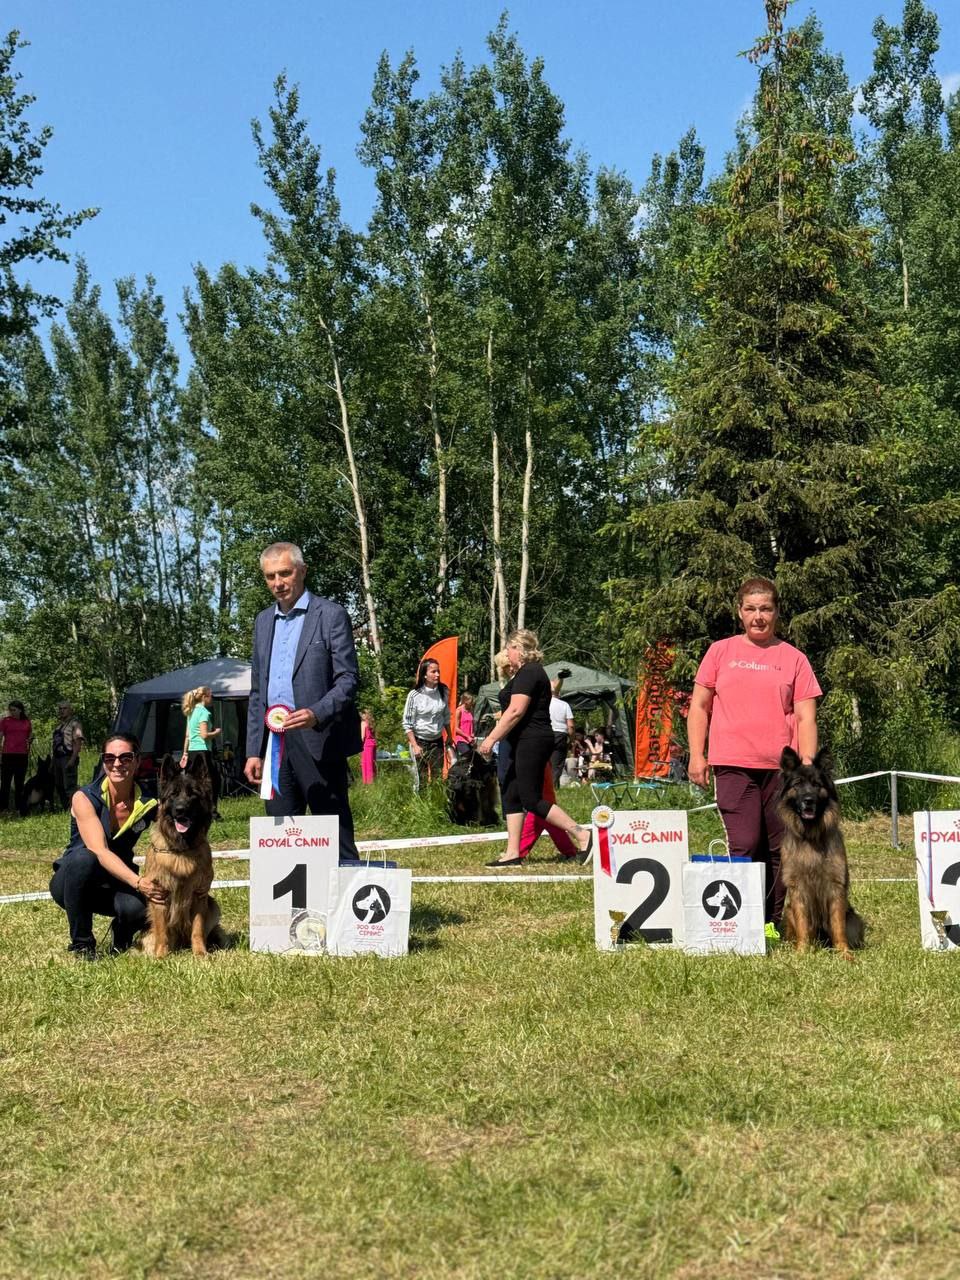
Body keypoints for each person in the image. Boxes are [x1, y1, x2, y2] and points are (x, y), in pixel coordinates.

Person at [686, 576, 822, 931]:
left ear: (776, 612)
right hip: (732, 764)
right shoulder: (720, 652)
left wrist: (806, 768)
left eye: (765, 609)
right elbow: (699, 707)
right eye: (751, 609)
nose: (758, 616)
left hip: (782, 772)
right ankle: (740, 923)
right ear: (739, 612)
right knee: (745, 842)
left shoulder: (794, 659)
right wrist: (696, 756)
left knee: (780, 847)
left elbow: (806, 715)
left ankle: (772, 923)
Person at [244, 541, 362, 860]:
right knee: (281, 835)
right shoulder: (262, 621)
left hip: (319, 738)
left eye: (285, 573)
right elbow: (258, 691)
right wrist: (253, 750)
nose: (278, 583)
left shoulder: (331, 614)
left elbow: (348, 679)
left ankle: (346, 905)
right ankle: (291, 909)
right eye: (270, 576)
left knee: (334, 831)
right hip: (274, 744)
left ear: (302, 571)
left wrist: (316, 713)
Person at [479, 630, 592, 866]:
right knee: (510, 793)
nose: (506, 653)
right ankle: (513, 853)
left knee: (532, 799)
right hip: (520, 740)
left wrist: (490, 739)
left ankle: (583, 835)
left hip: (533, 739)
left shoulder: (530, 672)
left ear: (518, 649)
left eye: (509, 648)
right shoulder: (523, 674)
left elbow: (516, 711)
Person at [49, 733, 166, 958]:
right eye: (110, 758)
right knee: (85, 858)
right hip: (73, 882)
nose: (117, 764)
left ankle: (121, 935)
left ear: (138, 760)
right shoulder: (84, 797)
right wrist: (139, 882)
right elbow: (99, 851)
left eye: (125, 757)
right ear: (103, 761)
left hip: (116, 879)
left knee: (141, 910)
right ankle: (82, 944)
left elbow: (177, 833)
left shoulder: (149, 801)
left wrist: (200, 877)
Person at [402, 659, 451, 783]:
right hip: (420, 741)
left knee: (437, 777)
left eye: (438, 671)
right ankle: (420, 801)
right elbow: (407, 723)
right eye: (433, 672)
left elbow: (446, 716)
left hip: (437, 741)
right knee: (421, 778)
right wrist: (415, 746)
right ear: (424, 674)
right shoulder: (414, 695)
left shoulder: (443, 691)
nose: (437, 675)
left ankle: (436, 801)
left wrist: (449, 736)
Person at [179, 685, 222, 818]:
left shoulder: (190, 712)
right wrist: (216, 732)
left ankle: (193, 810)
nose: (212, 699)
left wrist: (185, 753)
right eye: (211, 696)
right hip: (203, 752)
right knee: (213, 782)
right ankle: (211, 812)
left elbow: (187, 735)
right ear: (205, 697)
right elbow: (204, 735)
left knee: (193, 783)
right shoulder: (204, 712)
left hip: (192, 751)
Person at [51, 700, 85, 811]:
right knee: (58, 784)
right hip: (57, 758)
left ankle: (74, 809)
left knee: (69, 785)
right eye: (60, 709)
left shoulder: (75, 724)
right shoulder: (59, 725)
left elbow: (77, 743)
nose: (62, 711)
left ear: (70, 710)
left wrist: (72, 759)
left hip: (68, 757)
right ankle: (65, 807)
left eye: (64, 708)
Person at [0, 700, 32, 814]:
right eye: (10, 710)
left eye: (14, 710)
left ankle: (19, 807)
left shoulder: (26, 722)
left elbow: (29, 736)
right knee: (5, 782)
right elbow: (0, 736)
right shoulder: (5, 721)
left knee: (20, 783)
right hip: (8, 754)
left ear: (20, 710)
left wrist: (30, 741)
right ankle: (3, 808)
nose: (11, 712)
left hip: (22, 755)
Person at [548, 678, 575, 783]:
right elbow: (571, 726)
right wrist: (572, 740)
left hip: (544, 734)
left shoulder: (541, 703)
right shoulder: (564, 705)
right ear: (558, 692)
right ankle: (554, 788)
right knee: (557, 765)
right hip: (560, 735)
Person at [453, 692, 476, 756]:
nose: (472, 702)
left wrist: (472, 734)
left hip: (470, 740)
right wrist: (467, 736)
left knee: (472, 759)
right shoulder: (458, 711)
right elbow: (456, 728)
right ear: (465, 700)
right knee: (467, 757)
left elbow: (472, 724)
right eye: (471, 701)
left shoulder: (471, 710)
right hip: (461, 740)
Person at [360, 709, 377, 784]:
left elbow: (363, 737)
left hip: (366, 745)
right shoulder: (371, 723)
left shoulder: (363, 723)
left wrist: (359, 746)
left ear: (365, 715)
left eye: (362, 714)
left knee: (366, 763)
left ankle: (368, 782)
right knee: (372, 763)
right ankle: (374, 780)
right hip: (373, 744)